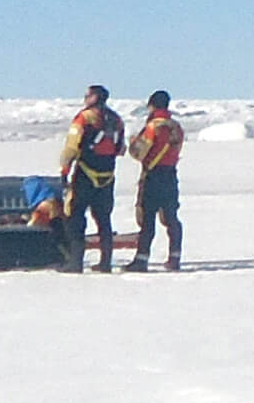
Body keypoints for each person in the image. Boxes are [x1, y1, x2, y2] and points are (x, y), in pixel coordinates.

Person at [56, 85, 125, 271]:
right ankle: (105, 262)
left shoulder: (84, 118)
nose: (85, 98)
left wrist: (64, 170)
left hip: (85, 174)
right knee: (104, 219)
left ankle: (75, 262)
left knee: (75, 216)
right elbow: (121, 149)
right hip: (108, 177)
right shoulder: (116, 119)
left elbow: (71, 146)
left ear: (95, 97)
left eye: (87, 95)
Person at [128, 90, 187, 271]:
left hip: (153, 177)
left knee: (148, 219)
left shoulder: (153, 127)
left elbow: (139, 152)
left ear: (152, 105)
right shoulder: (176, 127)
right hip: (170, 175)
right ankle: (175, 257)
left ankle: (141, 259)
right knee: (171, 218)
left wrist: (133, 142)